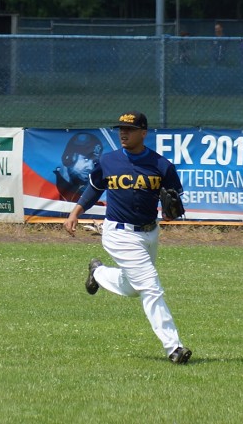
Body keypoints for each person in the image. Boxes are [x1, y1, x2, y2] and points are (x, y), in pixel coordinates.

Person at [63, 111, 192, 365]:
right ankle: (174, 347)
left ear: (143, 133)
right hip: (119, 233)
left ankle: (98, 273)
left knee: (135, 288)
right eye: (121, 129)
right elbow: (94, 189)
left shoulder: (161, 165)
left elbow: (174, 201)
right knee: (151, 287)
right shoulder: (109, 161)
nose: (123, 133)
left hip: (150, 232)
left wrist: (170, 211)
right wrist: (75, 212)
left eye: (129, 129)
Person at [54, 132, 103, 202]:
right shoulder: (50, 188)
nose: (91, 167)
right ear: (70, 158)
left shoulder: (89, 189)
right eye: (86, 159)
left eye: (94, 162)